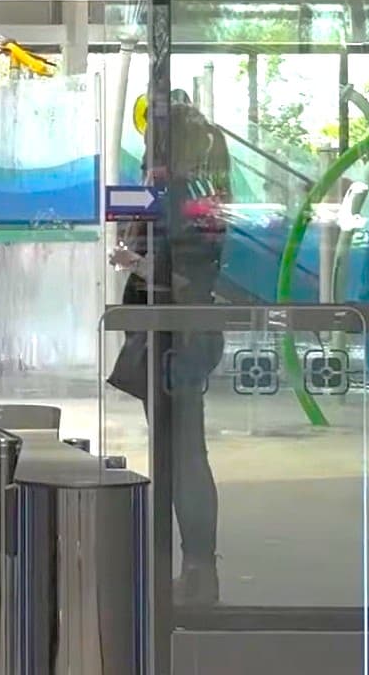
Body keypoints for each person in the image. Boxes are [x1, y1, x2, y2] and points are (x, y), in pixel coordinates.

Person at [107, 92, 232, 606]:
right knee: (184, 454)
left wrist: (134, 263)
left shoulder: (178, 198)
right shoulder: (191, 195)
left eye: (148, 150)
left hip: (175, 342)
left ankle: (196, 567)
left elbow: (184, 278)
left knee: (184, 456)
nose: (144, 164)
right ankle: (195, 568)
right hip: (176, 341)